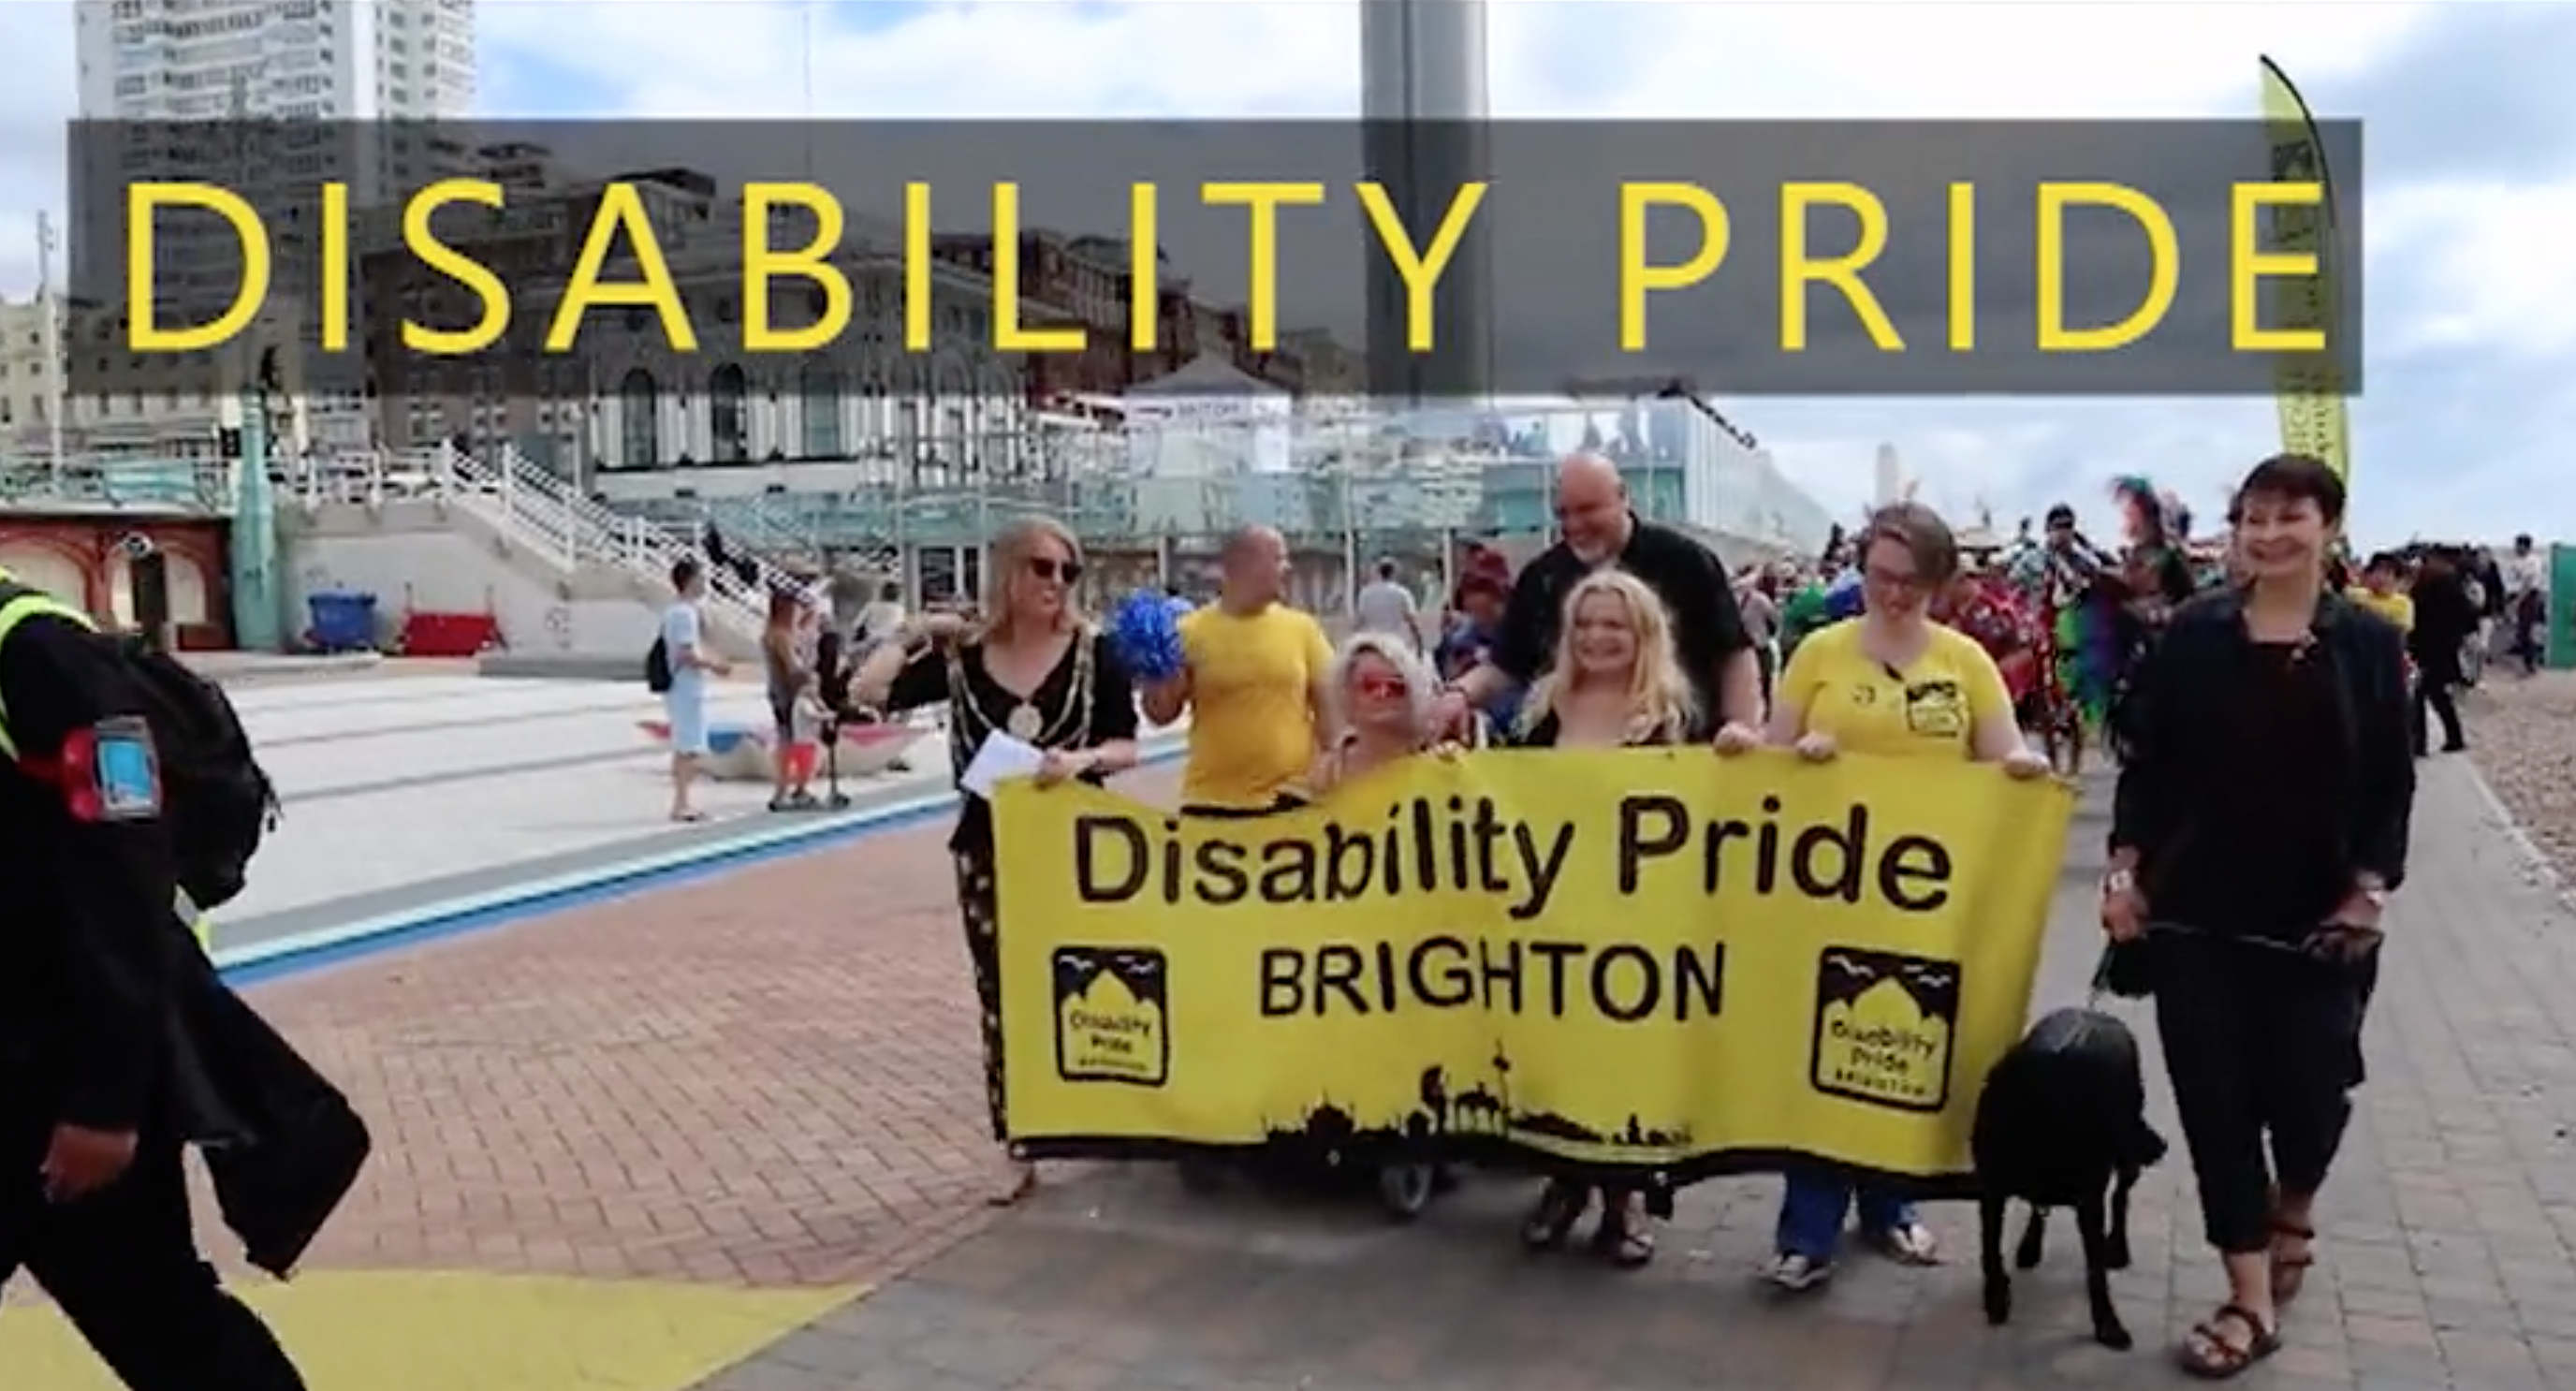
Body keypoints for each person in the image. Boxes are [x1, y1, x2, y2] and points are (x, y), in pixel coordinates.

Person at [2102, 454, 2413, 1378]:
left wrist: (2368, 889)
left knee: (2313, 1092)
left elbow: (2390, 781)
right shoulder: (2193, 635)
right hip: (2196, 907)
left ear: (2329, 527)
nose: (2268, 534)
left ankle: (2295, 1208)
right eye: (2253, 517)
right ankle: (2247, 1297)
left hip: (2319, 915)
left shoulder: (2365, 642)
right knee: (2216, 1105)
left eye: (2289, 516)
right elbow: (2147, 764)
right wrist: (2123, 873)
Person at [0, 573, 311, 1391]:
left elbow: (126, 878)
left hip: (58, 1078)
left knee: (163, 1322)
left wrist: (105, 1103)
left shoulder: (37, 650)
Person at [1737, 503, 2051, 1293]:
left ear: (1939, 582)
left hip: (1925, 902)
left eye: (1912, 580)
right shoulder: (1819, 652)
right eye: (1881, 576)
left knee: (1900, 1053)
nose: (1895, 593)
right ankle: (1807, 1232)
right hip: (1828, 893)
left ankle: (1892, 1206)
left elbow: (2003, 753)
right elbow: (1773, 757)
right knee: (1820, 1060)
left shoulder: (1964, 662)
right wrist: (1798, 758)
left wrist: (2021, 771)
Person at [850, 517, 1142, 1206]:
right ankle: (1019, 1141)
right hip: (989, 849)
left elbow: (1128, 744)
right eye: (1041, 567)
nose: (1056, 582)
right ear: (1007, 572)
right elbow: (866, 693)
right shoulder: (966, 659)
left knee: (1091, 982)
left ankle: (1113, 1119)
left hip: (1074, 849)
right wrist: (912, 632)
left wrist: (1081, 760)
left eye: (1067, 571)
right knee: (1001, 996)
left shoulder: (1095, 653)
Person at [1509, 569, 1703, 1269]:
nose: (1597, 637)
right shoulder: (1543, 708)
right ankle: (1563, 1185)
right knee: (1558, 1060)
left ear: (1643, 634)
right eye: (1585, 624)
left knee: (1624, 1065)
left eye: (1613, 625)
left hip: (1636, 920)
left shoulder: (1673, 716)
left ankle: (1623, 1204)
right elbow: (1503, 795)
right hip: (1553, 915)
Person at [1435, 453, 1761, 746]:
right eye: (1563, 514)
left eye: (1587, 510)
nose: (1574, 524)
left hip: (1678, 750)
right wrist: (1458, 695)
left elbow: (1733, 652)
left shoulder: (1686, 562)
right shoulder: (1542, 577)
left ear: (1623, 498)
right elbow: (1507, 663)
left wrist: (1742, 731)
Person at [1142, 526, 1337, 817]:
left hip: (1290, 804)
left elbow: (1331, 719)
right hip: (1211, 804)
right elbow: (1161, 714)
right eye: (1278, 558)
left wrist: (1331, 777)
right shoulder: (1189, 632)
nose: (1288, 567)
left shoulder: (1303, 630)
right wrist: (1154, 667)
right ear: (1244, 565)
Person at [1307, 632, 1440, 798]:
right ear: (1348, 693)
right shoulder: (1326, 774)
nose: (1383, 694)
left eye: (1395, 686)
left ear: (1412, 693)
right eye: (1371, 685)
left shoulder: (1438, 762)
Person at [660, 558, 729, 823]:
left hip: (684, 686)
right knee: (687, 746)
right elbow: (686, 654)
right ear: (690, 581)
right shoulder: (683, 614)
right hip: (684, 687)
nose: (705, 583)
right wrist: (715, 666)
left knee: (686, 744)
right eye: (701, 578)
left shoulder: (682, 611)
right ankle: (681, 803)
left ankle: (682, 800)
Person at [2406, 548, 2480, 756]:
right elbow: (2468, 613)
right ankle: (2450, 738)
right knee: (2434, 693)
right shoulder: (2446, 582)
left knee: (2423, 693)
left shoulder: (2430, 584)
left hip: (2430, 646)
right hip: (2440, 646)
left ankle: (2421, 742)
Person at [762, 590, 821, 811]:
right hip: (787, 694)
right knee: (790, 741)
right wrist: (812, 678)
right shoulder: (781, 636)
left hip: (780, 692)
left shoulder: (773, 633)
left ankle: (791, 789)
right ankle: (784, 791)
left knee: (789, 740)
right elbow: (793, 668)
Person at [2502, 534, 2548, 675]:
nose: (2516, 548)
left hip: (2528, 597)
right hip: (2515, 595)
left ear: (2525, 547)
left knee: (2525, 631)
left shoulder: (2533, 561)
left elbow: (2528, 584)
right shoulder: (2515, 561)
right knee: (2519, 631)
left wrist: (2517, 601)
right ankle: (2526, 660)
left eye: (2518, 545)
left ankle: (2530, 664)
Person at [1354, 558, 1420, 650]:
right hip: (1395, 642)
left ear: (1378, 572)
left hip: (1373, 643)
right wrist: (1419, 641)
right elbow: (1412, 620)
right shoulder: (1402, 593)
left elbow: (1360, 620)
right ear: (1394, 573)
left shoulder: (1365, 593)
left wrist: (1354, 638)